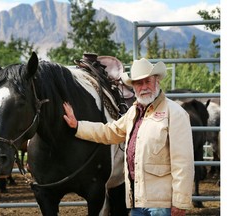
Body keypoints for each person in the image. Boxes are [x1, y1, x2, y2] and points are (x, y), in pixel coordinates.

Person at [63, 58, 194, 216]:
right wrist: (78, 126)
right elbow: (111, 131)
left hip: (162, 203)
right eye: (139, 83)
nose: (144, 87)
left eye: (148, 81)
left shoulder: (175, 113)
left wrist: (180, 201)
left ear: (157, 81)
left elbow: (183, 162)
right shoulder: (134, 112)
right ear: (133, 87)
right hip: (137, 200)